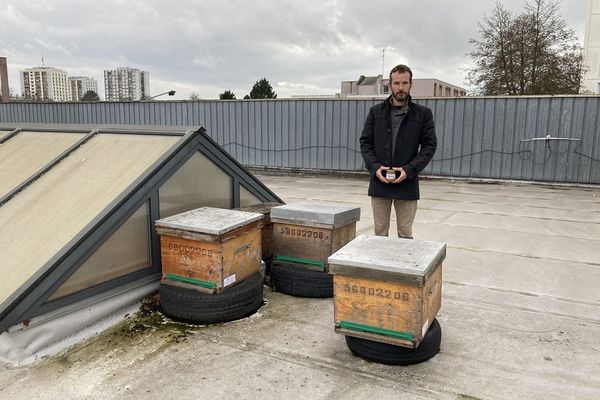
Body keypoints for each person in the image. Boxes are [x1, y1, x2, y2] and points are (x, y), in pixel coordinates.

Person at [359, 64, 437, 238]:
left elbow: (429, 146)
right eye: (396, 83)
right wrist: (374, 167)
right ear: (390, 85)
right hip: (379, 182)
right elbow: (365, 143)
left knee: (405, 234)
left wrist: (410, 170)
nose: (400, 88)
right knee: (379, 233)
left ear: (410, 84)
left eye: (404, 83)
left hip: (407, 183)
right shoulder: (375, 112)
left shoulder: (423, 114)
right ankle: (379, 265)